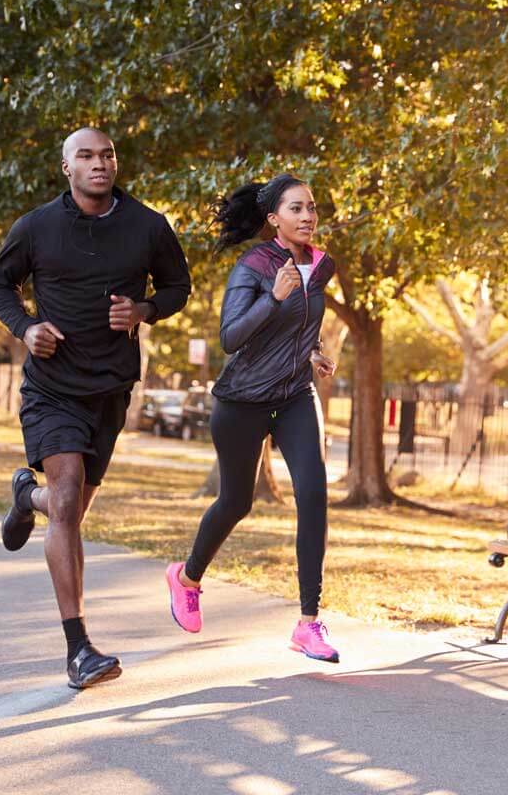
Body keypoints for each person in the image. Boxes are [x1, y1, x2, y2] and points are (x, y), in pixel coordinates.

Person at [0, 127, 191, 689]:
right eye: (86, 156)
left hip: (111, 391)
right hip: (52, 387)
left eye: (106, 155)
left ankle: (26, 496)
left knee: (67, 510)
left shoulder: (149, 226)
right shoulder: (36, 227)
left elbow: (179, 286)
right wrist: (27, 329)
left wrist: (145, 309)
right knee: (70, 492)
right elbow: (0, 285)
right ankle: (78, 648)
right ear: (66, 168)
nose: (98, 163)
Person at [165, 173, 341, 662]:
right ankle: (187, 577)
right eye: (296, 209)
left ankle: (309, 622)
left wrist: (313, 353)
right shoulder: (255, 265)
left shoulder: (323, 265)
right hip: (241, 400)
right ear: (273, 219)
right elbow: (231, 337)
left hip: (294, 396)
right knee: (236, 502)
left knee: (313, 494)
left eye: (312, 207)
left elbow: (302, 325)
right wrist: (274, 297)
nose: (307, 216)